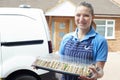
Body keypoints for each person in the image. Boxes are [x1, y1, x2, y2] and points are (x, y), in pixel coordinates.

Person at [59, 1, 108, 80]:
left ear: (92, 17)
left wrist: (97, 75)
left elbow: (100, 70)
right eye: (78, 15)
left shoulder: (100, 41)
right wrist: (40, 64)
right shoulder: (66, 38)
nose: (81, 19)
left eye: (86, 15)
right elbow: (59, 63)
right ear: (74, 16)